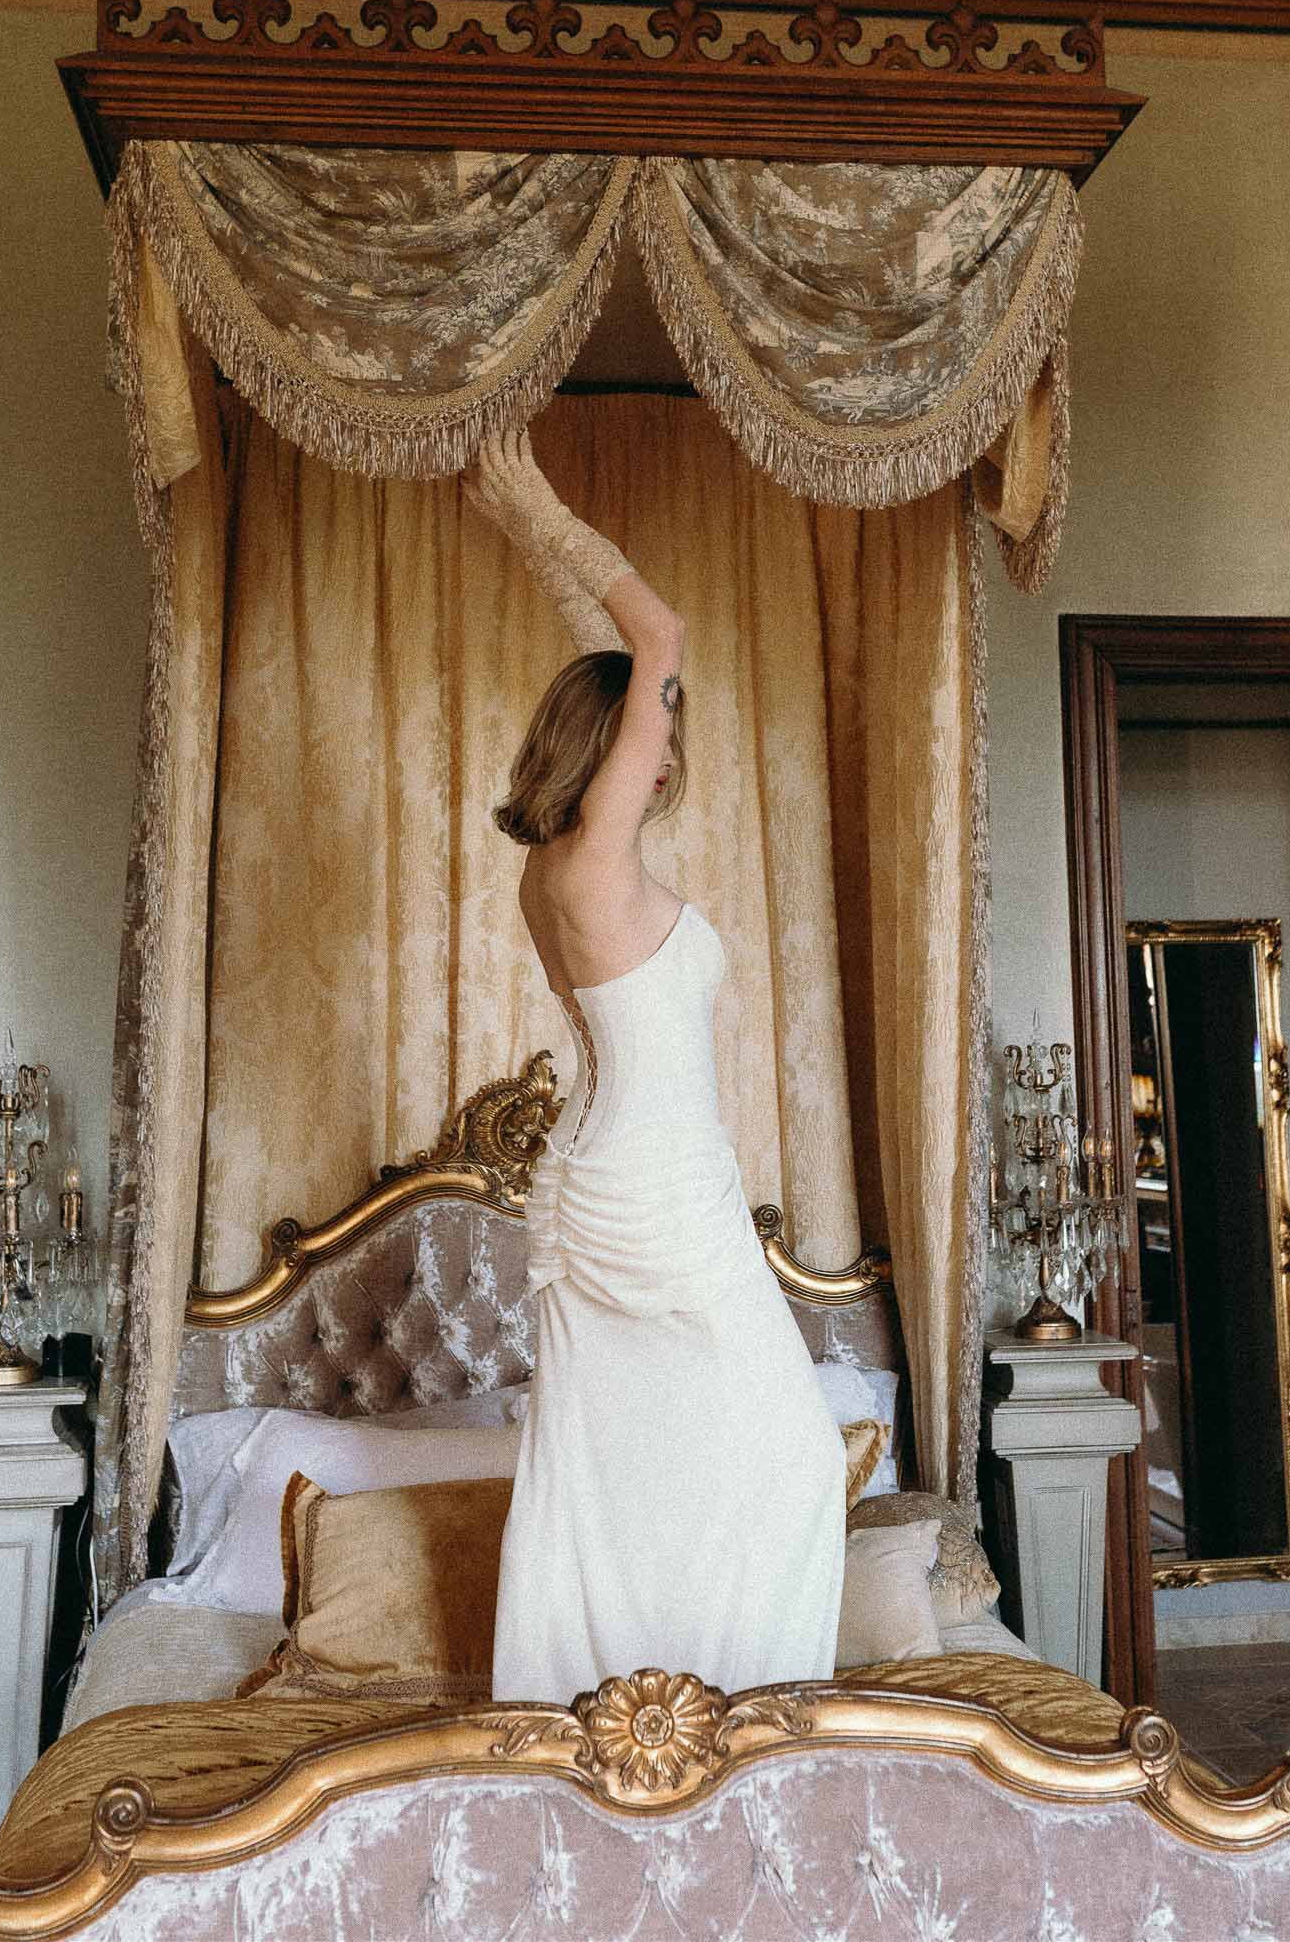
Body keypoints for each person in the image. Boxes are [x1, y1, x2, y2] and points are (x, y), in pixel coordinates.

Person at [468, 427, 845, 1705]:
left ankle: (604, 1710)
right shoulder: (595, 859)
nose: (670, 731)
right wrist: (540, 512)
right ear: (619, 734)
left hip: (601, 1165)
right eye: (649, 721)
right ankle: (728, 1713)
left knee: (605, 1452)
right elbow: (661, 640)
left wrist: (552, 564)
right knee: (790, 1452)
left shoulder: (553, 869)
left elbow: (639, 672)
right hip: (653, 1170)